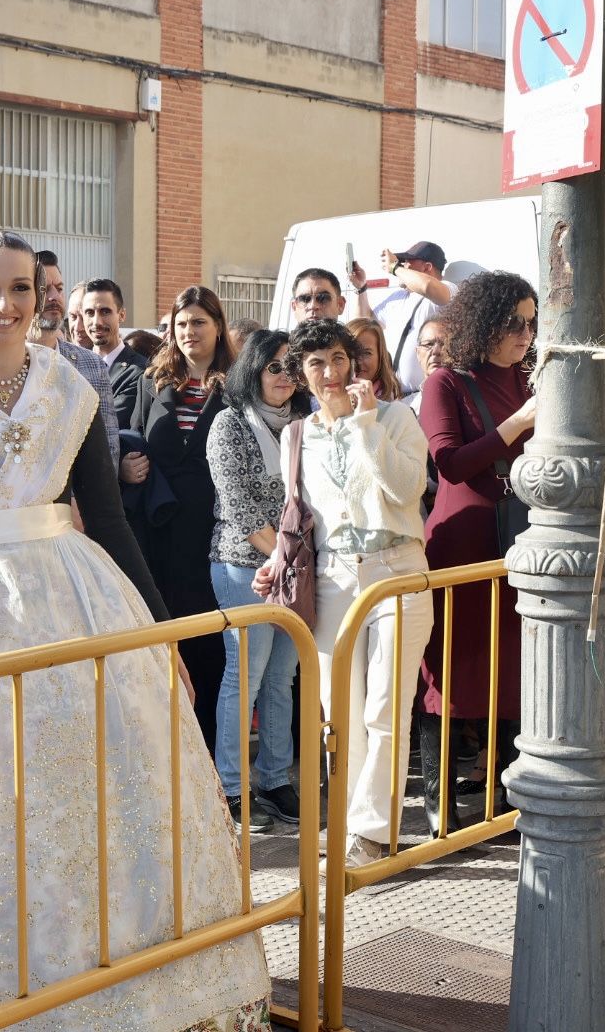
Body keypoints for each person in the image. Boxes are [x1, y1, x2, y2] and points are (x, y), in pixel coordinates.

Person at [0, 228, 269, 1029]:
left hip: (75, 600)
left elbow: (109, 522)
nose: (4, 305)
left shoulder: (71, 388)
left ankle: (113, 975)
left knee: (100, 795)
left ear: (40, 295)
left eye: (19, 288)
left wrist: (161, 636)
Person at [260, 317, 432, 868]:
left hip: (398, 567)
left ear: (355, 361)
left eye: (338, 358)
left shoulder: (395, 417)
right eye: (316, 363)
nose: (330, 372)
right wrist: (274, 561)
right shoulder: (296, 435)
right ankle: (353, 820)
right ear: (301, 374)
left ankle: (375, 833)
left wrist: (364, 426)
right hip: (333, 576)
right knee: (340, 711)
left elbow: (405, 490)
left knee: (385, 705)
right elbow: (301, 518)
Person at [416, 272, 538, 835]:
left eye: (532, 322)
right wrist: (521, 421)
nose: (525, 333)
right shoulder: (446, 382)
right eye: (514, 322)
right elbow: (451, 463)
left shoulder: (532, 377)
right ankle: (440, 804)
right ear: (483, 322)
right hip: (463, 545)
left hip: (522, 538)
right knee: (451, 675)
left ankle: (507, 794)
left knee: (514, 669)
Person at [123, 285, 237, 749]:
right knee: (171, 643)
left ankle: (211, 753)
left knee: (213, 649)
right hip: (164, 536)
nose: (190, 331)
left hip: (217, 535)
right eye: (182, 323)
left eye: (200, 322)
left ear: (218, 326)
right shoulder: (154, 379)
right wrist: (125, 469)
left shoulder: (238, 381)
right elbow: (133, 436)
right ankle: (173, 750)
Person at [206, 329, 308, 831]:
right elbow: (241, 507)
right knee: (243, 676)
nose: (286, 377)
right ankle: (229, 785)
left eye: (293, 367)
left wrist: (293, 563)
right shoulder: (229, 425)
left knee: (281, 678)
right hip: (243, 565)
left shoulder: (306, 423)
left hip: (294, 568)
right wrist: (285, 559)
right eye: (275, 367)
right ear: (253, 370)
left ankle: (273, 778)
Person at [31, 252, 119, 465]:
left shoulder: (92, 365)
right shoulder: (5, 364)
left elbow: (108, 448)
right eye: (44, 288)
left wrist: (87, 499)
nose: (54, 297)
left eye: (59, 289)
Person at [349, 240, 458, 397]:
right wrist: (361, 288)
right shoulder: (399, 297)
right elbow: (364, 324)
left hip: (423, 394)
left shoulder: (447, 288)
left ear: (427, 267)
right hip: (392, 395)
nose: (402, 266)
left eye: (407, 263)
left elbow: (427, 286)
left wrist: (394, 267)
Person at [82, 277, 149, 429]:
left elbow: (109, 425)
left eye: (105, 312)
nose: (97, 322)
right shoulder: (72, 366)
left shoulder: (139, 372)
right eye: (90, 313)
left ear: (122, 315)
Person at [346, 316, 407, 402]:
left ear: (380, 356)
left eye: (366, 353)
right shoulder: (332, 394)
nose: (358, 361)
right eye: (351, 352)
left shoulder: (389, 405)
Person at [410, 317, 452, 415]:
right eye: (428, 344)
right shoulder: (407, 407)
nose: (436, 351)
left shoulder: (469, 400)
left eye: (443, 344)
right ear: (418, 353)